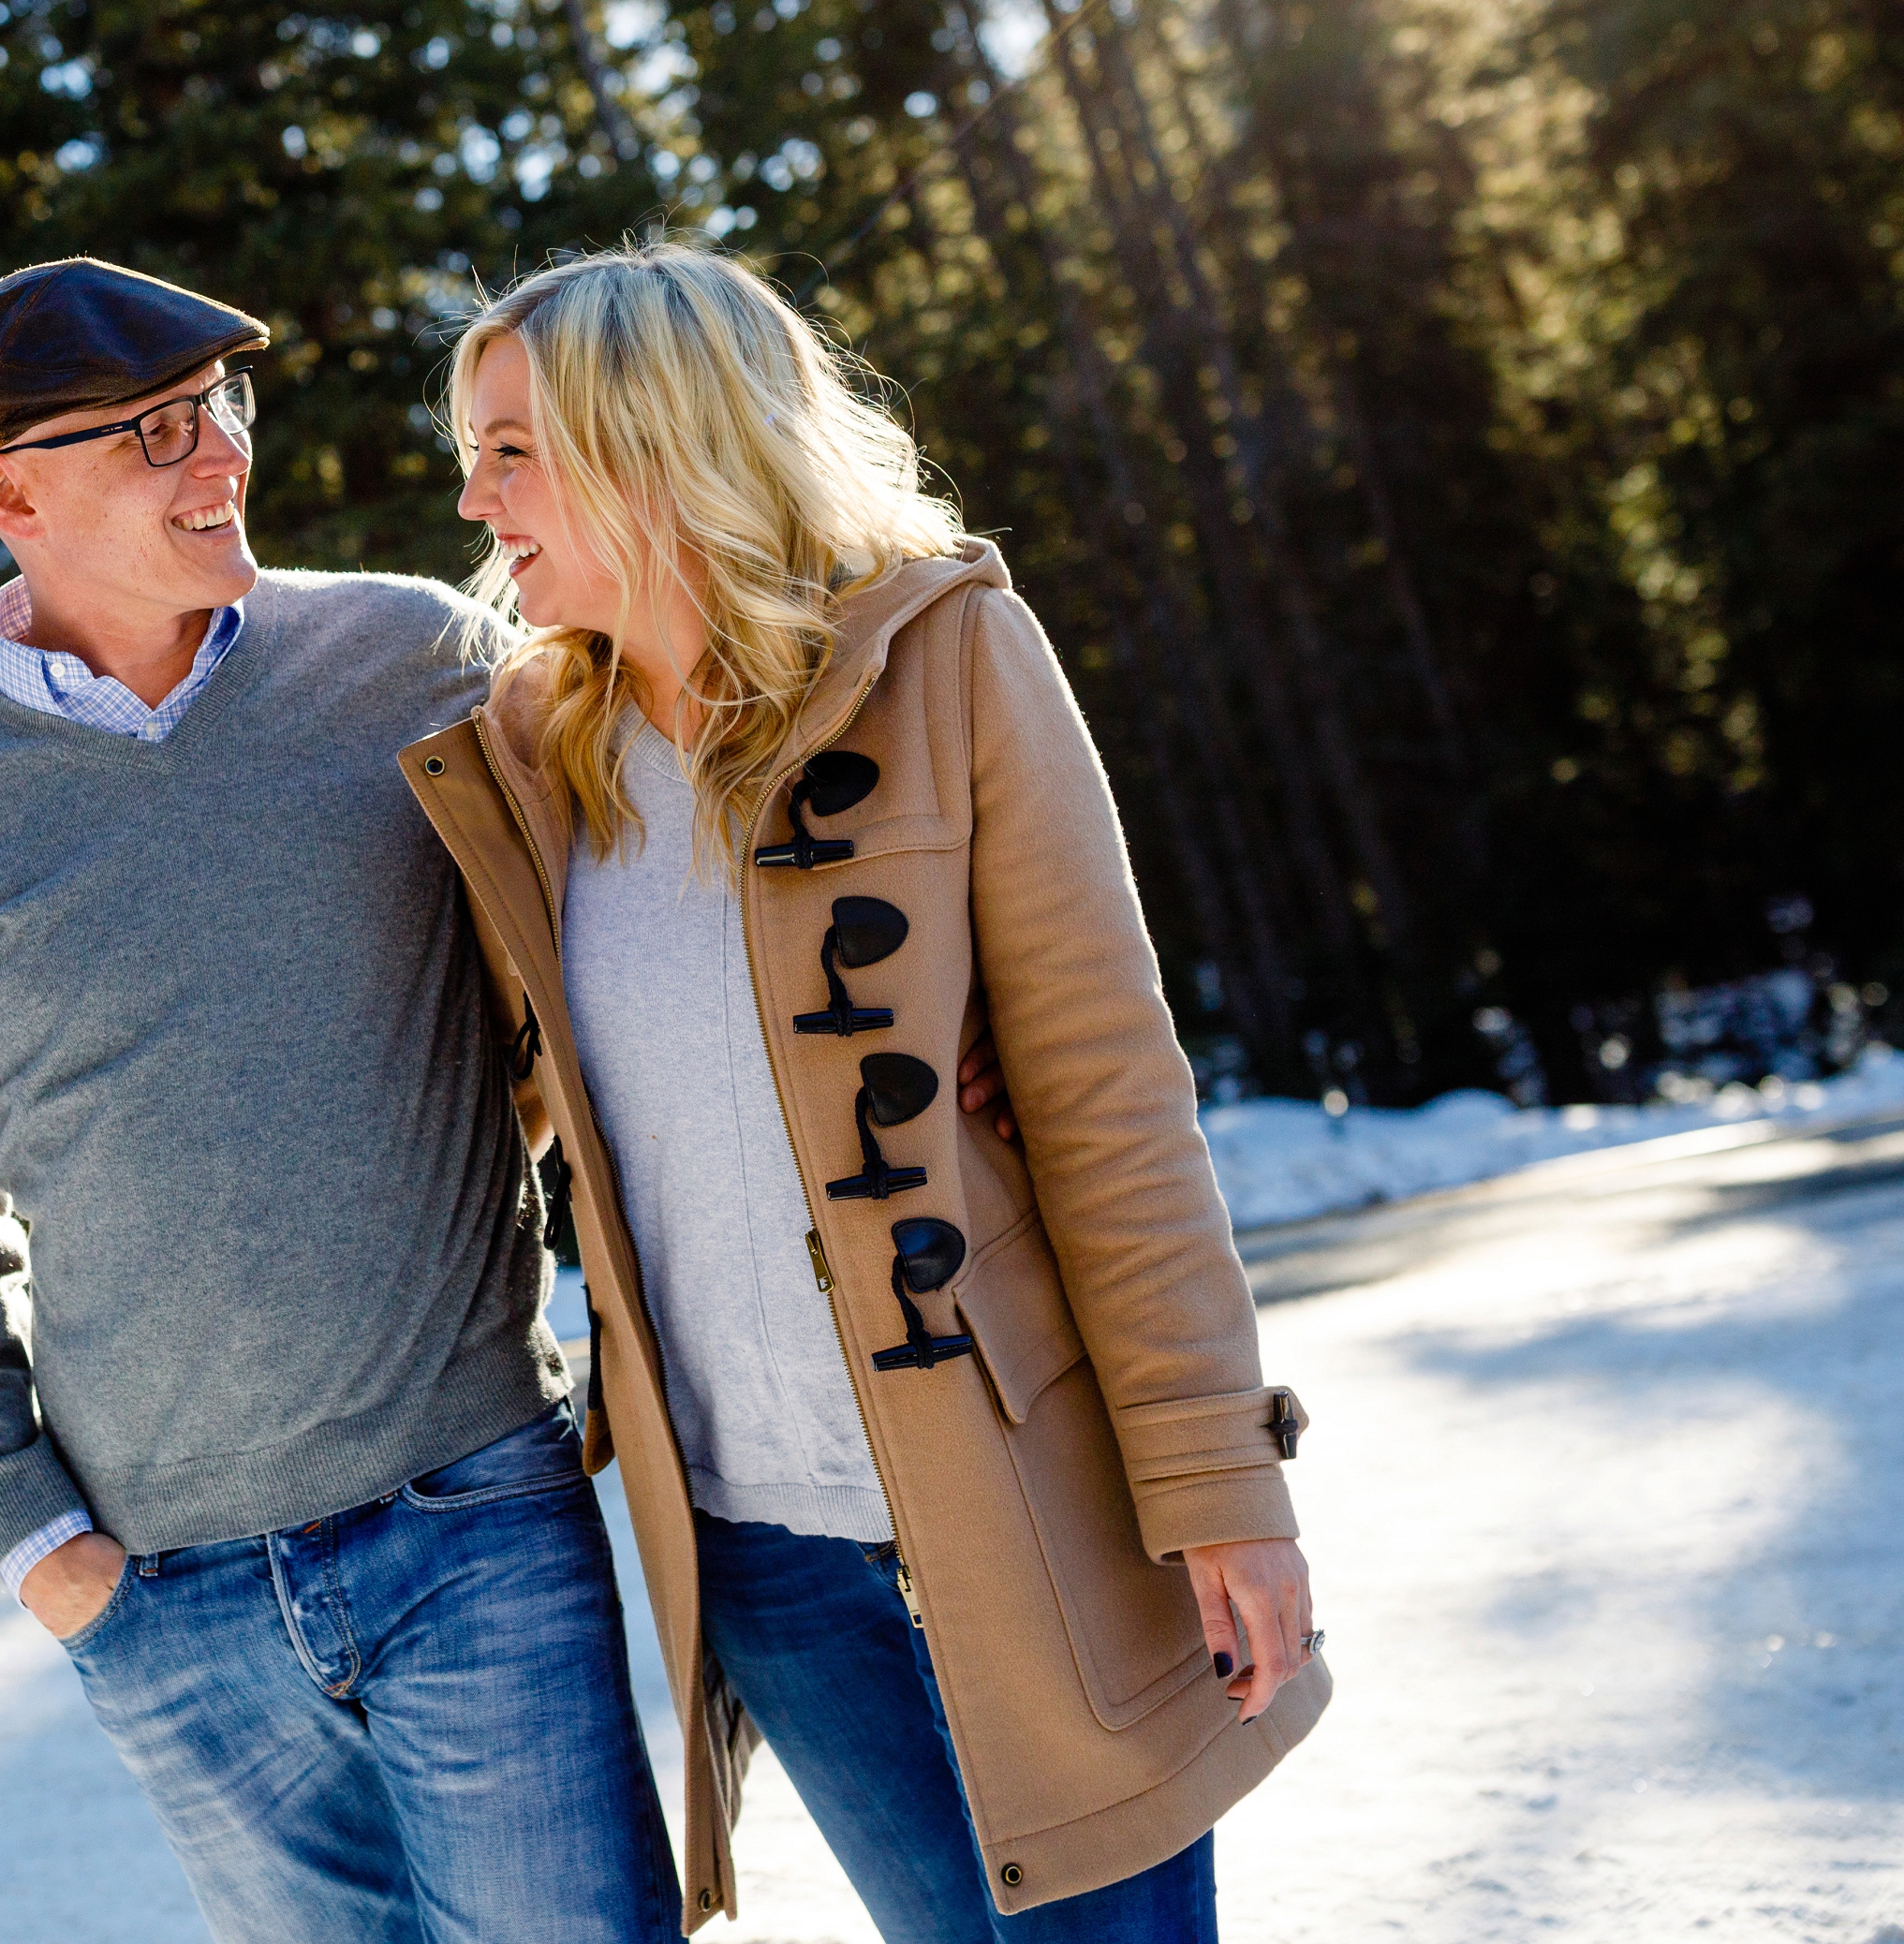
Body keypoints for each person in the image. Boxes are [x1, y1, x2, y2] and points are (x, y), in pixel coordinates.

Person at [398, 240, 1328, 1940]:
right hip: (764, 1557)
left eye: (511, 447)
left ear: (649, 438)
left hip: (1022, 1510)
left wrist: (1221, 1486)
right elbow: (512, 1110)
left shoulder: (950, 656)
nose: (473, 500)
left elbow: (1114, 1104)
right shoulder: (537, 756)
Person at [0, 257, 679, 1942]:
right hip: (170, 1606)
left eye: (222, 409)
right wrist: (41, 1545)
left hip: (477, 1521)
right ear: (8, 490)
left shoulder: (415, 662)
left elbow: (655, 882)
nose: (220, 459)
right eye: (154, 430)